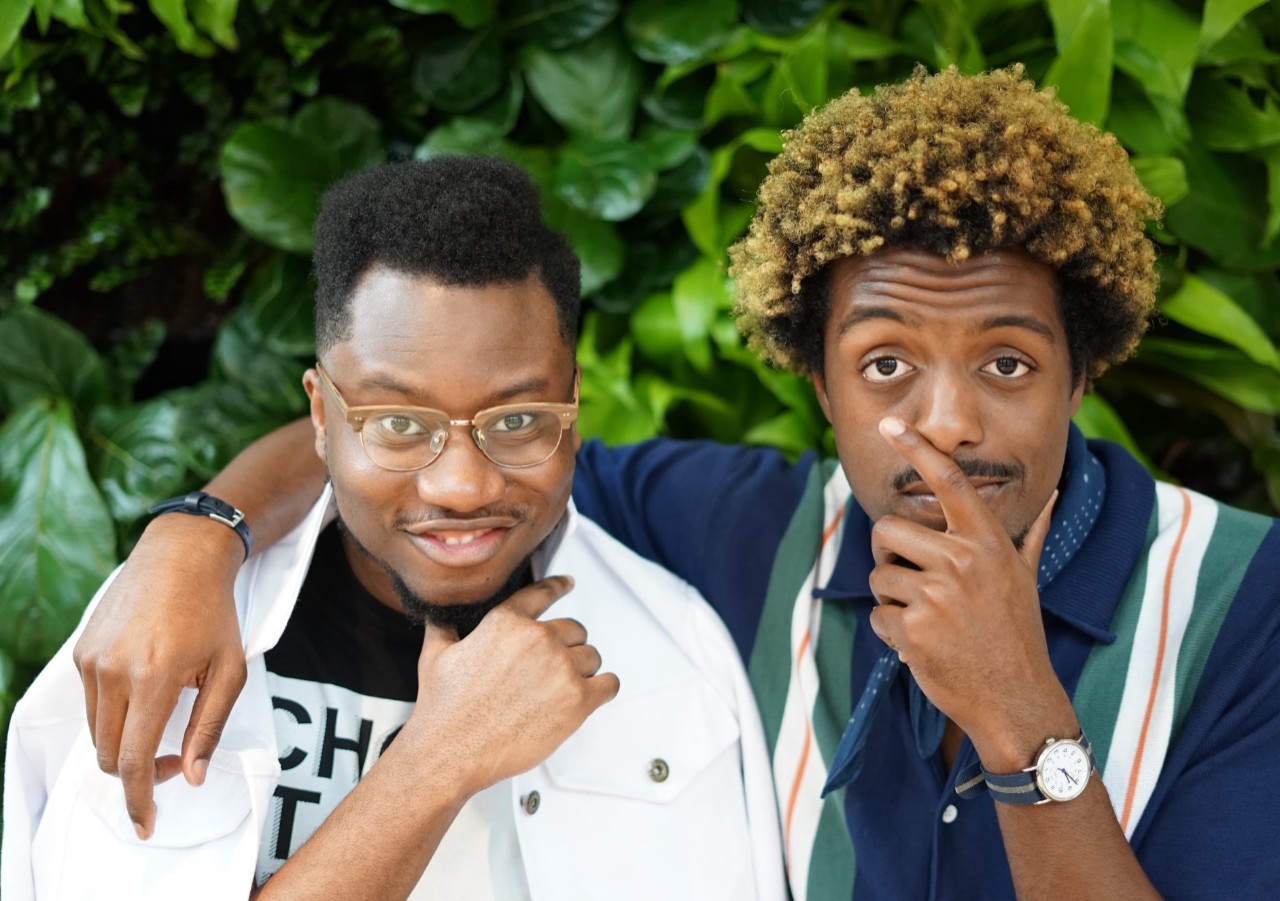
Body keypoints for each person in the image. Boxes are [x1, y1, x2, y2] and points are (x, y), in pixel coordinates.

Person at [24, 65, 1280, 900]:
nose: (941, 423)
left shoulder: (1239, 599)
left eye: (1005, 360)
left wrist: (1020, 718)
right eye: (884, 361)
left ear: (1082, 366)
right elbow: (442, 441)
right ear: (816, 383)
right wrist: (194, 537)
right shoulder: (740, 539)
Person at [2, 156, 786, 900]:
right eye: (399, 422)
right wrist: (437, 761)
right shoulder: (167, 636)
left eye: (516, 418)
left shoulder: (677, 654)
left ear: (574, 404)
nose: (463, 485)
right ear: (320, 414)